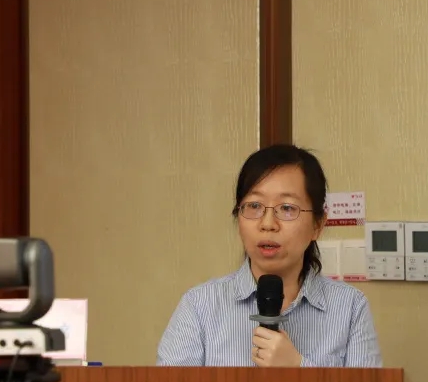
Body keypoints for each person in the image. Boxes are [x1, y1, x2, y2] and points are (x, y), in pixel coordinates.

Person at [156, 144, 382, 367]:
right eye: (254, 206)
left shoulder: (350, 307)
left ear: (317, 225)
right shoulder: (200, 305)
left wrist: (298, 367)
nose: (267, 224)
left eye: (287, 208)